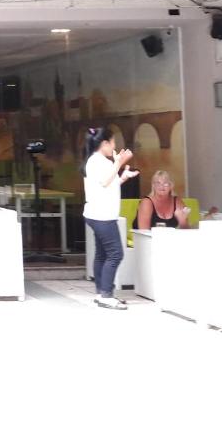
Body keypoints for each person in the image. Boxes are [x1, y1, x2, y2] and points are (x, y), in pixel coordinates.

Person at [82, 127, 139, 310]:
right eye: (113, 142)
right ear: (104, 143)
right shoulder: (96, 161)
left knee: (102, 254)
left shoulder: (99, 161)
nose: (114, 146)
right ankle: (106, 294)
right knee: (115, 254)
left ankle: (101, 293)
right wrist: (119, 163)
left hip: (99, 214)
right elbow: (105, 181)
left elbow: (108, 185)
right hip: (102, 216)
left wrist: (123, 176)